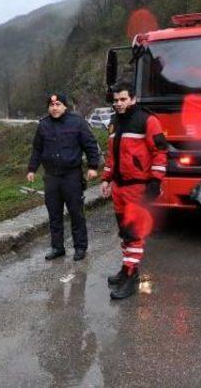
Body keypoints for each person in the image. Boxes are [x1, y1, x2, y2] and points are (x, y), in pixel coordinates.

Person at [100, 82, 168, 299]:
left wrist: (155, 181)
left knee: (134, 233)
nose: (119, 104)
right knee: (124, 232)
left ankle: (131, 277)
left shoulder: (147, 120)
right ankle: (126, 269)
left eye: (123, 99)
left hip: (137, 187)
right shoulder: (114, 122)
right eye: (116, 100)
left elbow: (160, 152)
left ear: (133, 99)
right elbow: (112, 156)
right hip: (119, 187)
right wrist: (106, 178)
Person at [27, 93, 100, 261]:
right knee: (54, 215)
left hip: (71, 176)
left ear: (65, 106)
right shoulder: (43, 125)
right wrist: (32, 169)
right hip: (51, 177)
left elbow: (90, 144)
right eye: (51, 105)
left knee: (76, 213)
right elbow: (37, 149)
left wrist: (92, 166)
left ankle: (80, 247)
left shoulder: (77, 122)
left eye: (58, 104)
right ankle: (57, 247)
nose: (54, 108)